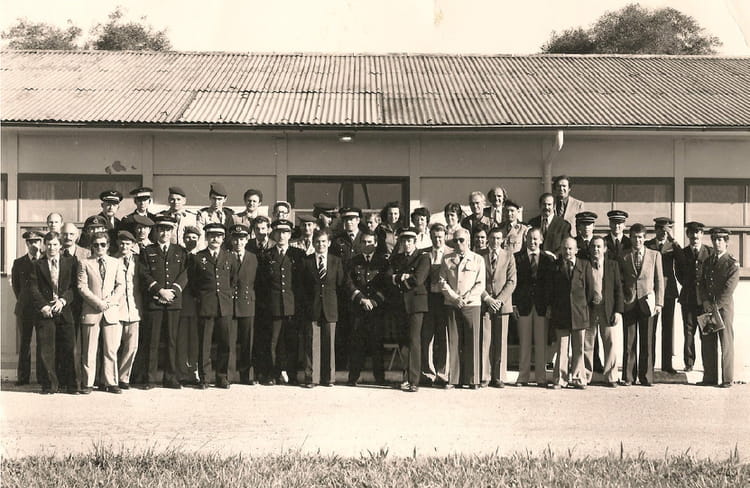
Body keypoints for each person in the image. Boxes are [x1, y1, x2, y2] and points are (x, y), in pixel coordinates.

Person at [138, 215, 188, 389]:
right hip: (155, 301)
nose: (164, 233)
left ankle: (171, 377)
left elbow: (184, 274)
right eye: (161, 230)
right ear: (156, 231)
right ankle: (150, 378)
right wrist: (159, 290)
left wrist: (173, 291)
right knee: (152, 340)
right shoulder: (147, 251)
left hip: (174, 302)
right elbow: (144, 274)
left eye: (168, 230)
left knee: (172, 341)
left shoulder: (180, 251)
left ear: (172, 231)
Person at [29, 232, 80, 394]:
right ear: (45, 245)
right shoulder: (37, 264)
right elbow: (33, 288)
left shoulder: (70, 262)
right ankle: (50, 385)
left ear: (60, 246)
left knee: (69, 348)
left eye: (55, 244)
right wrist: (43, 306)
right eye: (49, 244)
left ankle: (71, 384)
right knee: (47, 349)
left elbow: (74, 287)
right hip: (46, 312)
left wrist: (63, 301)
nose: (52, 248)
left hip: (64, 310)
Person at [257, 219, 305, 385]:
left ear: (290, 235)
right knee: (273, 342)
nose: (282, 236)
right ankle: (272, 374)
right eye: (278, 232)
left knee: (292, 342)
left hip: (292, 305)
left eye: (285, 232)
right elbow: (262, 284)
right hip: (273, 306)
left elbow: (301, 283)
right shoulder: (266, 255)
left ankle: (292, 375)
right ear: (273, 234)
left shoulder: (298, 255)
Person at [191, 223, 238, 389]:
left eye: (218, 236)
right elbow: (194, 282)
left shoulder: (230, 257)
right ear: (206, 238)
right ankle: (204, 378)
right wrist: (202, 298)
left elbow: (233, 280)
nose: (215, 239)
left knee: (225, 343)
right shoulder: (198, 257)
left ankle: (222, 377)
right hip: (206, 305)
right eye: (211, 236)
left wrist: (226, 296)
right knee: (204, 344)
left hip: (224, 306)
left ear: (223, 238)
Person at [78, 232, 125, 394]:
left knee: (110, 349)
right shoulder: (84, 263)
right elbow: (82, 287)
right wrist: (98, 303)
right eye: (96, 244)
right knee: (89, 350)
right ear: (92, 246)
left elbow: (120, 286)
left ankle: (111, 382)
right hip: (92, 310)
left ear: (108, 245)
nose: (99, 247)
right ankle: (88, 383)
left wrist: (109, 302)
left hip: (110, 310)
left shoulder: (115, 263)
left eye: (103, 244)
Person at [440, 227, 486, 389]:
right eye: (455, 240)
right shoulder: (446, 259)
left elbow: (480, 283)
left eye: (461, 240)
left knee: (472, 340)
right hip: (452, 304)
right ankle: (454, 379)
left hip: (471, 304)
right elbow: (442, 282)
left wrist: (466, 298)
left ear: (468, 241)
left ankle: (473, 379)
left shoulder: (478, 259)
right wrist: (454, 298)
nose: (458, 243)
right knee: (454, 341)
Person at [300, 229, 346, 387]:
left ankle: (328, 378)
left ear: (329, 243)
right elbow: (302, 287)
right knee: (312, 344)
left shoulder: (336, 261)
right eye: (318, 242)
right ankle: (311, 378)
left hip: (330, 307)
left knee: (329, 344)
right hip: (312, 308)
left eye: (324, 242)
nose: (321, 245)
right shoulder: (306, 261)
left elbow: (341, 284)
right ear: (313, 243)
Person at [620, 223, 664, 387]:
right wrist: (622, 299)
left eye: (640, 237)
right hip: (630, 302)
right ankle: (628, 377)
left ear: (644, 238)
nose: (637, 240)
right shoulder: (623, 255)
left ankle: (646, 377)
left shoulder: (654, 255)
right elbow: (620, 280)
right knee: (629, 341)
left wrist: (659, 303)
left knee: (647, 340)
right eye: (634, 237)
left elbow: (659, 280)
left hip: (648, 302)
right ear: (630, 238)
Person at [388, 227, 430, 392]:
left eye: (409, 241)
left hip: (415, 304)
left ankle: (414, 380)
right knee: (402, 341)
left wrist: (398, 280)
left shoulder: (423, 257)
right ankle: (405, 377)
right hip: (399, 304)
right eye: (404, 241)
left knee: (414, 341)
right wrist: (401, 276)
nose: (406, 244)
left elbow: (418, 279)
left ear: (415, 242)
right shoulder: (396, 258)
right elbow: (388, 276)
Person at [697, 228, 740, 388]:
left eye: (720, 240)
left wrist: (715, 306)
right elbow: (701, 283)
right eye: (714, 239)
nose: (716, 243)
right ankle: (710, 377)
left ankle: (727, 379)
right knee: (708, 342)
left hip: (723, 309)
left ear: (726, 242)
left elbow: (729, 289)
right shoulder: (708, 261)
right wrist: (705, 302)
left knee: (726, 343)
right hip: (708, 308)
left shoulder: (732, 263)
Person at [548, 238, 592, 389]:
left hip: (579, 313)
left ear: (576, 250)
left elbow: (589, 291)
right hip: (561, 313)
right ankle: (560, 379)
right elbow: (551, 290)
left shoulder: (585, 265)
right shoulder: (555, 266)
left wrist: (582, 307)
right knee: (562, 348)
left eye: (570, 249)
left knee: (579, 348)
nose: (567, 252)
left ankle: (579, 378)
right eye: (565, 248)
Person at [513, 228, 555, 387]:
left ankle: (541, 377)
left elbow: (551, 285)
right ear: (525, 239)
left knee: (541, 344)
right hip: (523, 305)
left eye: (536, 238)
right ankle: (523, 377)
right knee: (524, 343)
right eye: (530, 238)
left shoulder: (548, 259)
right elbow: (513, 283)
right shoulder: (517, 258)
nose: (533, 241)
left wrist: (550, 305)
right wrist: (514, 304)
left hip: (542, 306)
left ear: (541, 240)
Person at [347, 228, 388, 386]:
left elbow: (386, 285)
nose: (366, 245)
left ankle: (380, 378)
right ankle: (353, 378)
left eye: (370, 242)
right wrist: (361, 299)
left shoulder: (383, 262)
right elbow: (348, 283)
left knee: (377, 344)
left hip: (376, 309)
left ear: (376, 243)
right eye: (363, 242)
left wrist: (374, 301)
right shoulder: (353, 261)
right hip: (358, 308)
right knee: (356, 344)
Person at [584, 236, 624, 387]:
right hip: (589, 309)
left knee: (610, 343)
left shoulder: (612, 265)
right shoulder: (585, 265)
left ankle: (611, 377)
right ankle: (586, 376)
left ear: (605, 249)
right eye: (593, 246)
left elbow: (618, 290)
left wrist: (618, 311)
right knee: (587, 344)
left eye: (599, 246)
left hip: (607, 310)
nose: (596, 249)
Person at [481, 227, 516, 388]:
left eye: (498, 238)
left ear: (502, 240)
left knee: (501, 341)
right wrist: (488, 299)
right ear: (488, 239)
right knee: (486, 340)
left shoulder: (509, 256)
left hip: (502, 304)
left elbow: (512, 281)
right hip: (485, 303)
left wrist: (499, 300)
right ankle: (485, 375)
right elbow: (477, 279)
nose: (495, 241)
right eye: (492, 238)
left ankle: (498, 376)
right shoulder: (480, 255)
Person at [645, 217, 681, 374]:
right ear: (655, 229)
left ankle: (667, 364)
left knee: (667, 329)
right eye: (661, 229)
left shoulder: (673, 246)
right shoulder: (648, 245)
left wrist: (674, 240)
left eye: (667, 229)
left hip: (668, 292)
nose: (664, 232)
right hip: (651, 291)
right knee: (650, 329)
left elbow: (682, 261)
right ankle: (649, 364)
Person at [674, 221, 711, 372]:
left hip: (704, 300)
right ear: (687, 235)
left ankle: (708, 364)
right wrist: (689, 286)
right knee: (688, 332)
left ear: (702, 234)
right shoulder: (682, 253)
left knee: (706, 332)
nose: (695, 236)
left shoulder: (709, 252)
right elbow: (679, 274)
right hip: (688, 298)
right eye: (692, 233)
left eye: (698, 233)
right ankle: (689, 363)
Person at [421, 223, 454, 387]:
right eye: (434, 237)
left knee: (444, 336)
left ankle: (443, 374)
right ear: (430, 236)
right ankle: (428, 374)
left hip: (445, 300)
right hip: (428, 299)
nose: (437, 240)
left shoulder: (452, 253)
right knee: (427, 336)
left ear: (445, 236)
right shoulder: (424, 253)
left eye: (440, 237)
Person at [11, 230, 45, 386]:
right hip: (25, 309)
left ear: (41, 243)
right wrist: (24, 300)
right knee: (25, 343)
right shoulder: (19, 262)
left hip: (41, 308)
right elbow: (16, 287)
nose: (33, 244)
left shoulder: (45, 260)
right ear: (26, 244)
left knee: (42, 343)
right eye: (30, 242)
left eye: (36, 241)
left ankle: (42, 377)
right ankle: (23, 377)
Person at [229, 224, 259, 385]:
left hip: (247, 303)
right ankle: (228, 375)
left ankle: (246, 375)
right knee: (229, 342)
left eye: (241, 239)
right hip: (230, 303)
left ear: (247, 240)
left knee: (248, 342)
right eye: (235, 239)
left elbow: (258, 281)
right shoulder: (226, 256)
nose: (238, 242)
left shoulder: (253, 257)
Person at [114, 230, 142, 390]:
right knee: (113, 346)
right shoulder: (112, 260)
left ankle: (124, 378)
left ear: (133, 245)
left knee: (132, 347)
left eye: (127, 244)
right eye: (122, 243)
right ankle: (110, 378)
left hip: (134, 308)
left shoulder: (139, 260)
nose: (124, 246)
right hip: (117, 309)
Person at [175, 225, 202, 386]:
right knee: (182, 340)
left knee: (195, 341)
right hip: (182, 303)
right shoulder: (178, 256)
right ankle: (182, 373)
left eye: (194, 238)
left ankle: (194, 372)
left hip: (199, 305)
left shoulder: (202, 256)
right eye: (188, 237)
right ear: (183, 239)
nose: (190, 240)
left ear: (199, 240)